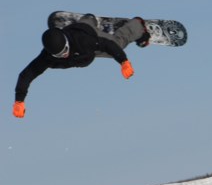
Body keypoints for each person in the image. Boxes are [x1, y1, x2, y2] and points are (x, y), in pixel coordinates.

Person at [12, 14, 150, 118]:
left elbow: (109, 46)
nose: (64, 55)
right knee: (84, 30)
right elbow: (27, 74)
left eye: (65, 50)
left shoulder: (84, 42)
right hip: (76, 33)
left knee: (118, 43)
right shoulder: (47, 58)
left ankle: (137, 26)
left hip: (89, 39)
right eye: (59, 55)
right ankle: (89, 18)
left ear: (66, 42)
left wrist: (123, 62)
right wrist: (19, 100)